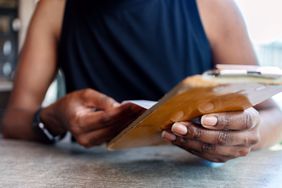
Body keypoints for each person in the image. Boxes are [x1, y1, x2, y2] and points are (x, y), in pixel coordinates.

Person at [2, 0, 282, 163]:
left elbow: (273, 116)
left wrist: (244, 134)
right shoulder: (56, 6)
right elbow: (14, 117)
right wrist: (52, 119)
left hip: (191, 173)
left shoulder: (211, 5)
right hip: (91, 173)